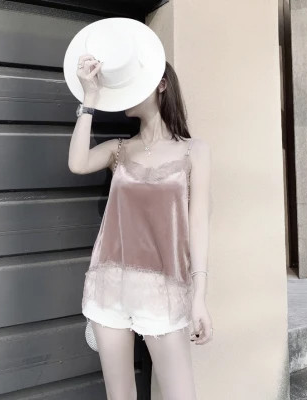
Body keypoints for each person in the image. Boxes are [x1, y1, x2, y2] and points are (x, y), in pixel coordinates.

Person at [68, 53, 213, 400]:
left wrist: (199, 298)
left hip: (163, 291)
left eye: (136, 84)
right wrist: (89, 98)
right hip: (109, 285)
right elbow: (77, 163)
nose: (127, 94)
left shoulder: (194, 151)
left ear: (161, 85)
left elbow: (198, 226)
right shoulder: (119, 150)